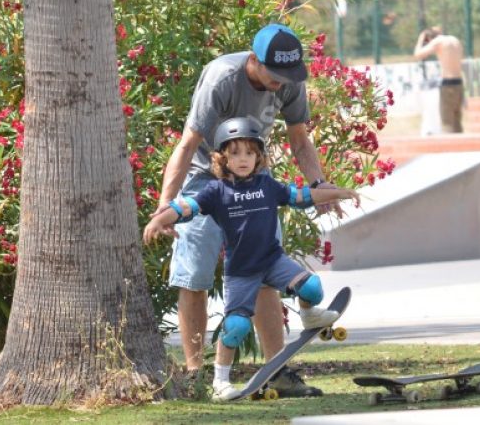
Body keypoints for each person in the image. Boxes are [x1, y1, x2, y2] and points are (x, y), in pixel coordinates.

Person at [152, 23, 340, 397]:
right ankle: (196, 376)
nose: (281, 83)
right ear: (254, 60)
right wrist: (166, 206)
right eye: (275, 75)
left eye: (288, 76)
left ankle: (276, 371)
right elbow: (189, 144)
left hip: (254, 178)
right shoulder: (222, 79)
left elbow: (299, 139)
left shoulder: (288, 80)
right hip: (204, 178)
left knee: (265, 269)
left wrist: (319, 186)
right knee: (195, 275)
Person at [144, 118, 360, 400]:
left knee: (312, 288)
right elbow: (186, 207)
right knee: (236, 327)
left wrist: (339, 192)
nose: (243, 159)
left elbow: (303, 195)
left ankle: (309, 315)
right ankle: (221, 382)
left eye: (249, 152)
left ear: (259, 157)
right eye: (234, 153)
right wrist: (161, 218)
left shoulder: (267, 185)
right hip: (242, 272)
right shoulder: (216, 191)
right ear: (223, 158)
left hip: (273, 261)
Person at [413, 27, 465, 133]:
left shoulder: (438, 42)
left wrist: (421, 38)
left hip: (448, 84)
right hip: (459, 83)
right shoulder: (455, 40)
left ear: (429, 39)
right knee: (457, 122)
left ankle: (450, 148)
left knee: (447, 123)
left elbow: (418, 54)